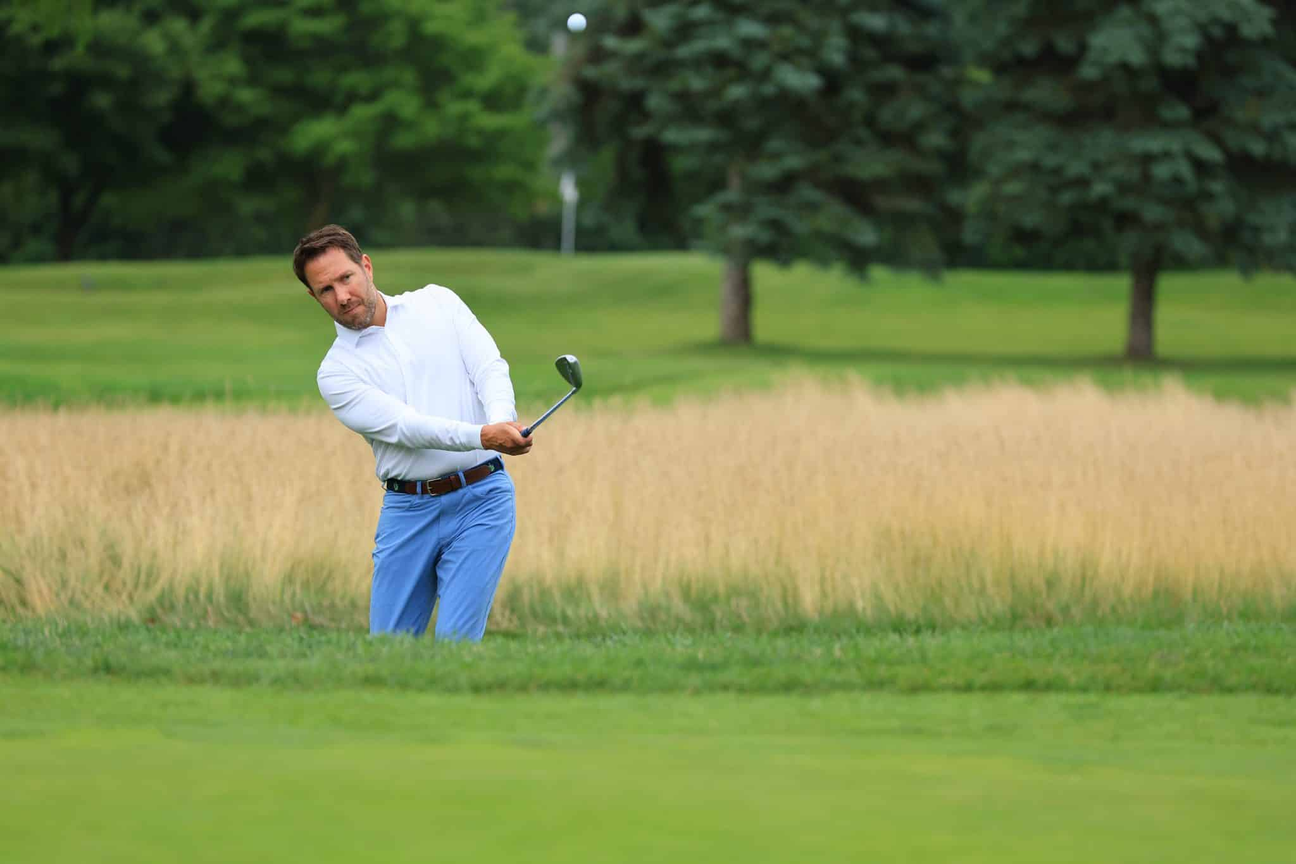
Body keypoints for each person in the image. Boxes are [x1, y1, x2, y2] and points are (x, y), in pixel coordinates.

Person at [292, 224, 532, 640]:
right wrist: (483, 435)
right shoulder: (336, 373)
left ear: (365, 266)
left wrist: (501, 419)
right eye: (326, 290)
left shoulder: (438, 303)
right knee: (389, 651)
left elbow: (488, 367)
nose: (342, 296)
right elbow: (407, 427)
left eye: (345, 278)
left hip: (483, 499)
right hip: (408, 511)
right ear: (314, 298)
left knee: (456, 644)